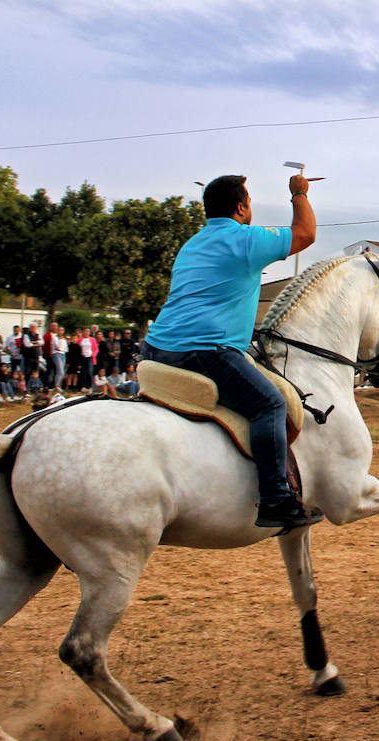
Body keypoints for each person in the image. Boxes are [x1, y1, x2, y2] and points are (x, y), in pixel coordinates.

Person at [140, 172, 321, 532]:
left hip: (157, 348)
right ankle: (275, 498)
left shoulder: (191, 244)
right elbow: (306, 234)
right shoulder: (244, 240)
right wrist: (298, 194)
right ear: (241, 208)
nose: (251, 208)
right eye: (250, 202)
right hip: (206, 352)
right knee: (270, 404)